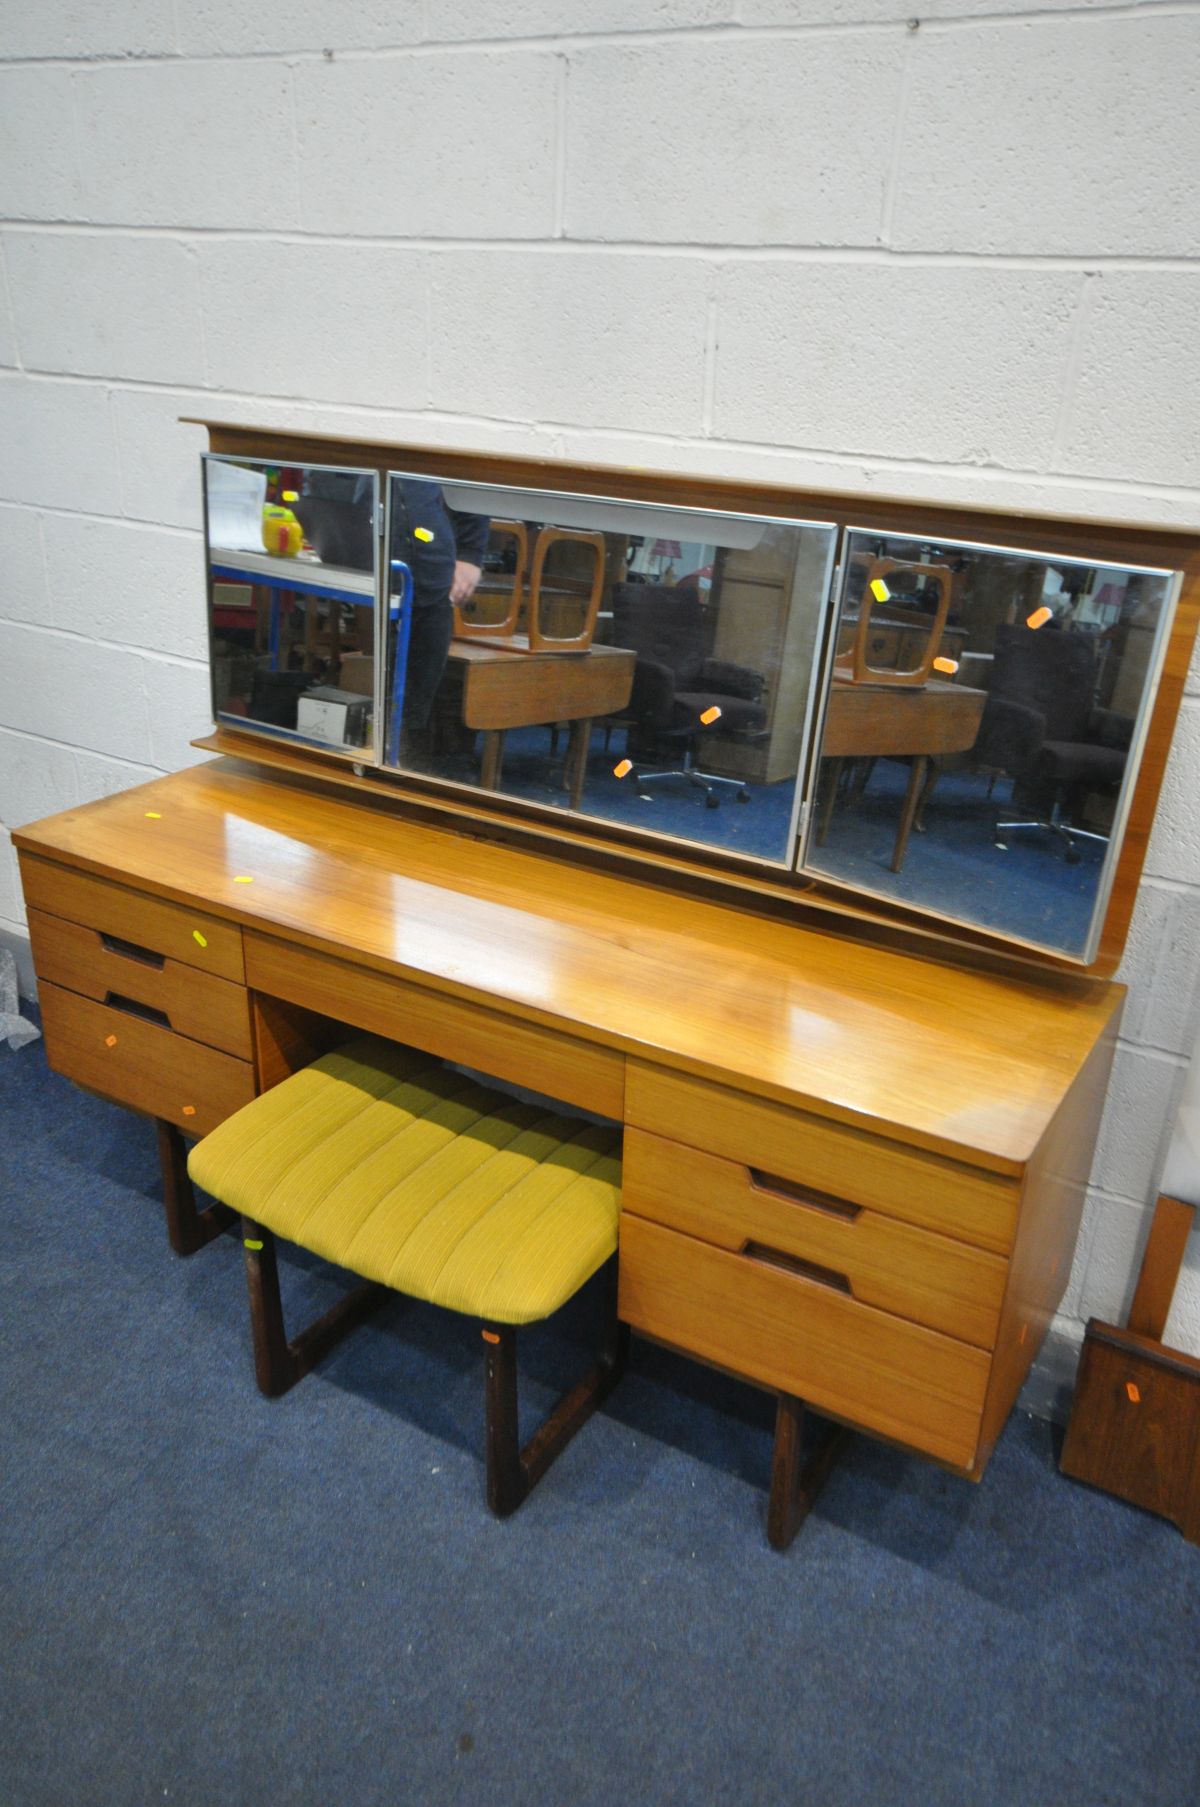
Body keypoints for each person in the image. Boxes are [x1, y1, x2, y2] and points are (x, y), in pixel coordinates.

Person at [389, 479, 488, 735]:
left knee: (416, 696)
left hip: (430, 572)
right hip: (374, 566)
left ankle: (404, 754)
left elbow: (470, 479)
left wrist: (470, 554)